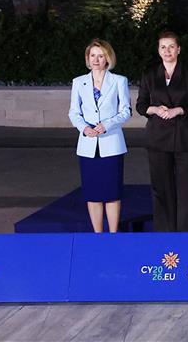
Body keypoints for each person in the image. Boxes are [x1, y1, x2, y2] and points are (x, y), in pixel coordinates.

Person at [136, 31, 188, 232]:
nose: (167, 51)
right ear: (158, 50)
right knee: (161, 188)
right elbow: (141, 105)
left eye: (171, 46)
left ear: (179, 49)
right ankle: (165, 232)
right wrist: (155, 109)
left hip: (184, 138)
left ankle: (187, 232)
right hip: (158, 139)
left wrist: (179, 110)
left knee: (187, 189)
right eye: (163, 47)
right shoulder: (149, 75)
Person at [68, 39, 132, 233]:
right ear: (88, 58)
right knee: (93, 194)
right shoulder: (79, 82)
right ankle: (97, 235)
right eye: (92, 55)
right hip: (87, 146)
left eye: (101, 55)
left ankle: (113, 235)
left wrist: (107, 125)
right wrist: (83, 128)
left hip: (111, 144)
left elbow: (126, 111)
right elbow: (73, 112)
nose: (96, 59)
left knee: (112, 193)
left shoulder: (119, 81)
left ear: (108, 58)